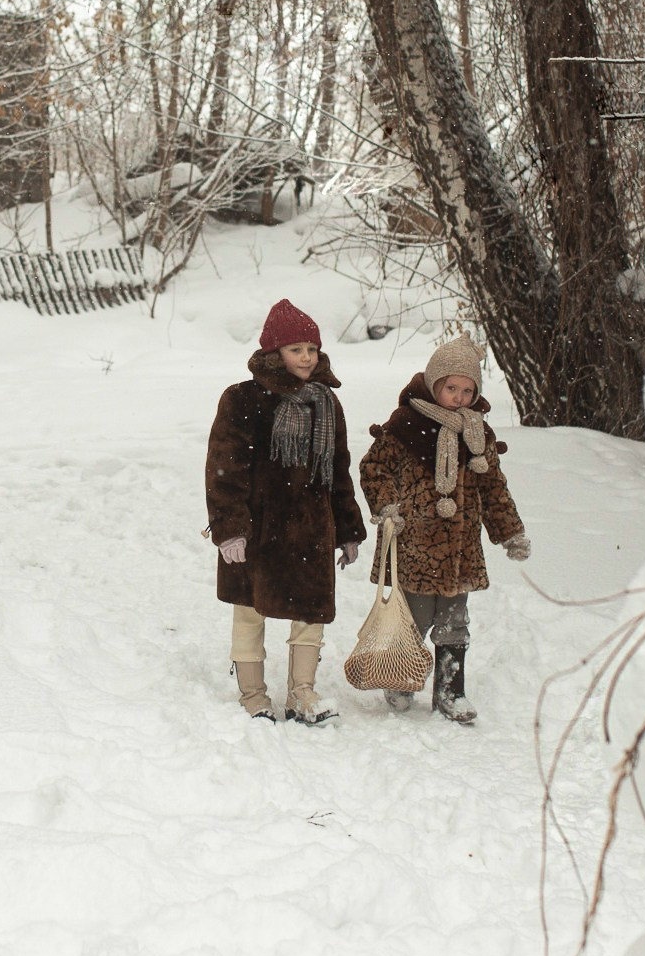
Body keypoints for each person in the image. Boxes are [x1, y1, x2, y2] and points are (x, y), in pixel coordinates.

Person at [206, 298, 367, 724]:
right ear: (275, 353)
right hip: (257, 528)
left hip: (310, 530)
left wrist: (348, 529)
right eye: (297, 349)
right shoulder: (242, 399)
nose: (307, 357)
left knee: (310, 613)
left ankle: (303, 694)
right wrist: (230, 530)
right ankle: (253, 695)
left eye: (312, 349)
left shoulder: (326, 404)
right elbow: (225, 468)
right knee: (249, 611)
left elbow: (338, 470)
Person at [359, 335, 530, 724]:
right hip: (416, 542)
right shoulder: (404, 427)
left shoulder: (478, 435)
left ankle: (451, 691)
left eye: (467, 390)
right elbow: (373, 469)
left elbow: (493, 488)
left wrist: (510, 532)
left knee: (454, 623)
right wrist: (388, 506)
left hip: (460, 552)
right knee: (415, 618)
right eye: (451, 388)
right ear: (435, 383)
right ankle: (400, 677)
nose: (459, 397)